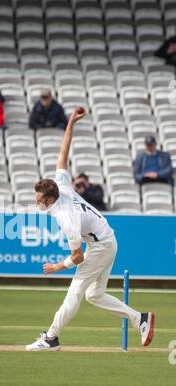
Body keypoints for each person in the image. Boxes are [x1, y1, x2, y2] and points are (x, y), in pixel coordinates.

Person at [26, 108, 154, 351]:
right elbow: (63, 154)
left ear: (50, 200)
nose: (36, 202)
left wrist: (56, 267)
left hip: (101, 245)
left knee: (76, 291)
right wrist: (70, 123)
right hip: (106, 239)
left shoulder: (66, 218)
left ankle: (51, 338)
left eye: (39, 199)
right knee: (94, 295)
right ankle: (141, 319)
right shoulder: (60, 185)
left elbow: (78, 257)